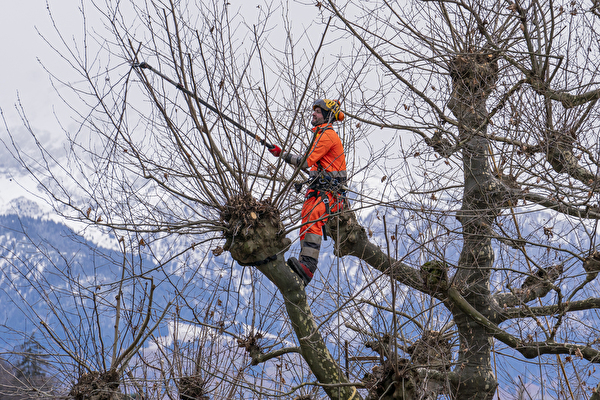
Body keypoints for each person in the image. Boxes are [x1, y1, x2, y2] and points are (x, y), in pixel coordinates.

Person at [268, 99, 347, 286]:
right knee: (306, 219)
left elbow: (305, 161)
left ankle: (309, 266)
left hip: (331, 192)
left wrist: (283, 154)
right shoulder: (319, 135)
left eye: (318, 111)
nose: (313, 114)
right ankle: (304, 264)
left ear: (327, 116)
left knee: (313, 219)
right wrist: (282, 154)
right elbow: (312, 163)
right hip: (319, 189)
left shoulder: (327, 136)